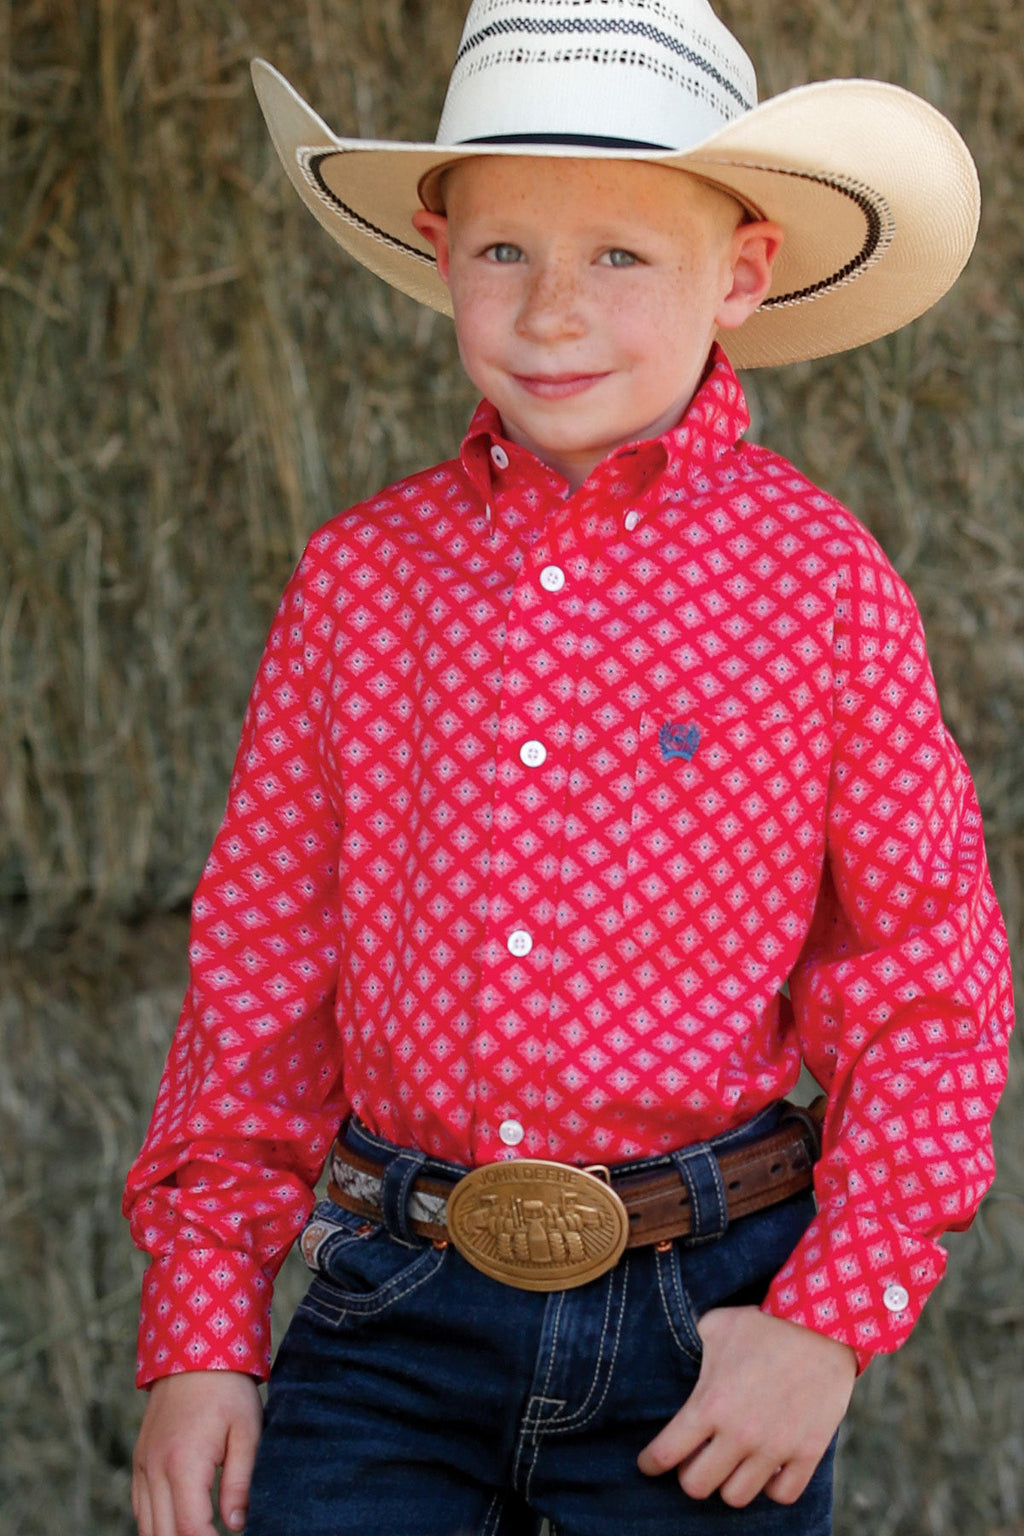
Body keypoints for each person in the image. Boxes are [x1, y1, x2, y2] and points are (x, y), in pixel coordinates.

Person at [124, 3, 1014, 1534]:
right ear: (435, 243)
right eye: (504, 253)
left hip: (703, 1310)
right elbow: (263, 971)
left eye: (620, 257)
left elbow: (925, 980)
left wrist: (829, 1320)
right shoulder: (360, 583)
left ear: (741, 272)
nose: (551, 315)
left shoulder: (821, 585)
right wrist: (203, 1331)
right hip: (392, 1313)